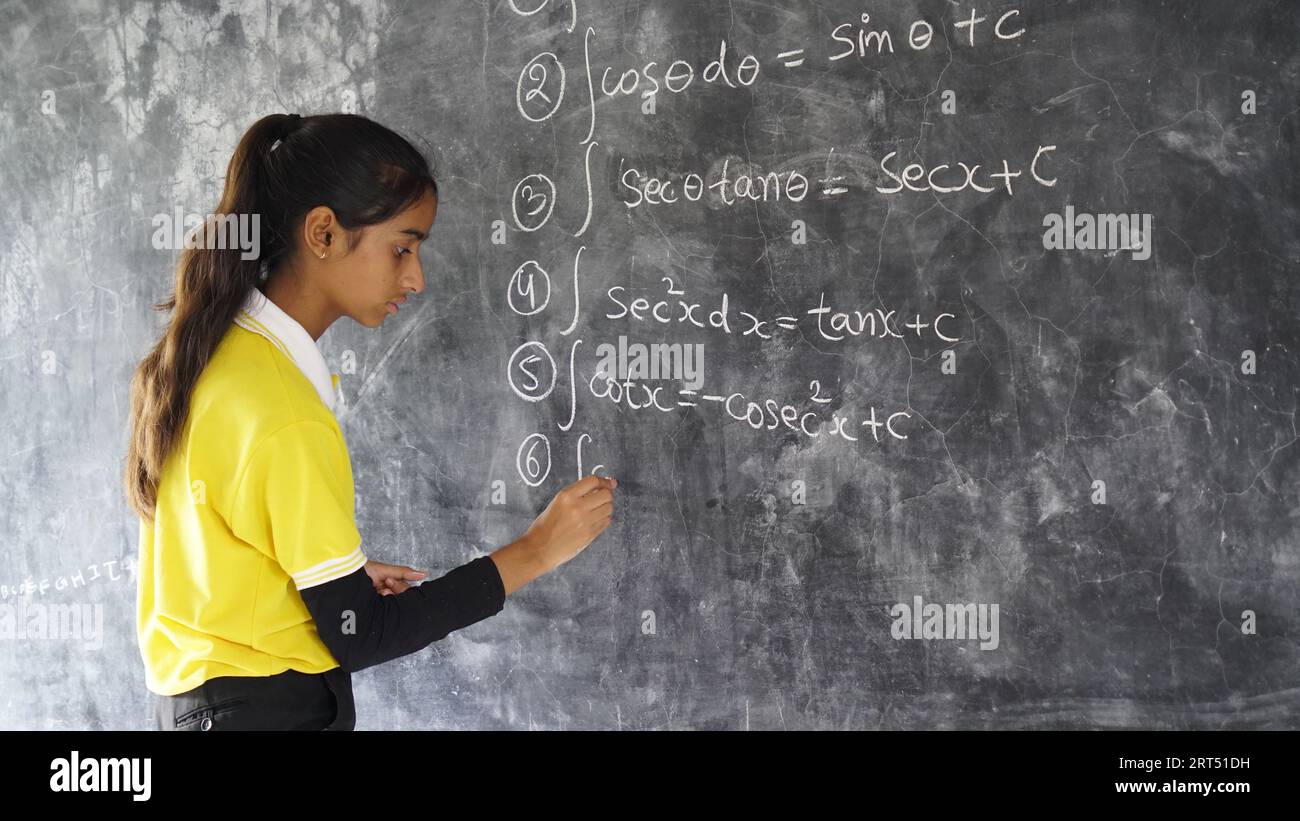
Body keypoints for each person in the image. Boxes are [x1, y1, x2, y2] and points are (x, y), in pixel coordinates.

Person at [123, 112, 617, 730]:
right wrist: (537, 550)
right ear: (323, 234)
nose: (416, 277)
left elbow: (221, 550)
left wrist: (336, 583)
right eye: (402, 248)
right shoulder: (281, 407)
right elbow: (364, 633)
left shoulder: (221, 357)